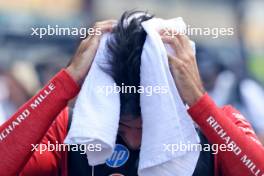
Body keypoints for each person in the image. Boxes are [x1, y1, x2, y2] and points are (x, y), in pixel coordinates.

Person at [0, 11, 263, 176]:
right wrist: (66, 82)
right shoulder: (69, 131)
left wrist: (198, 101)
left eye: (147, 126)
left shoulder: (214, 130)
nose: (135, 140)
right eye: (122, 126)